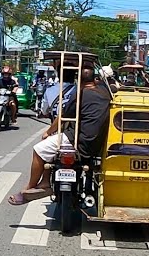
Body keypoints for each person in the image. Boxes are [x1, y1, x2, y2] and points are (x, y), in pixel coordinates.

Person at [9, 66, 111, 205]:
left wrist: (48, 132)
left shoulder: (80, 94)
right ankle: (45, 181)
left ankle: (31, 187)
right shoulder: (105, 92)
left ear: (79, 80)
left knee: (39, 149)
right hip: (97, 144)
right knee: (51, 149)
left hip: (78, 140)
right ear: (94, 79)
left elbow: (62, 116)